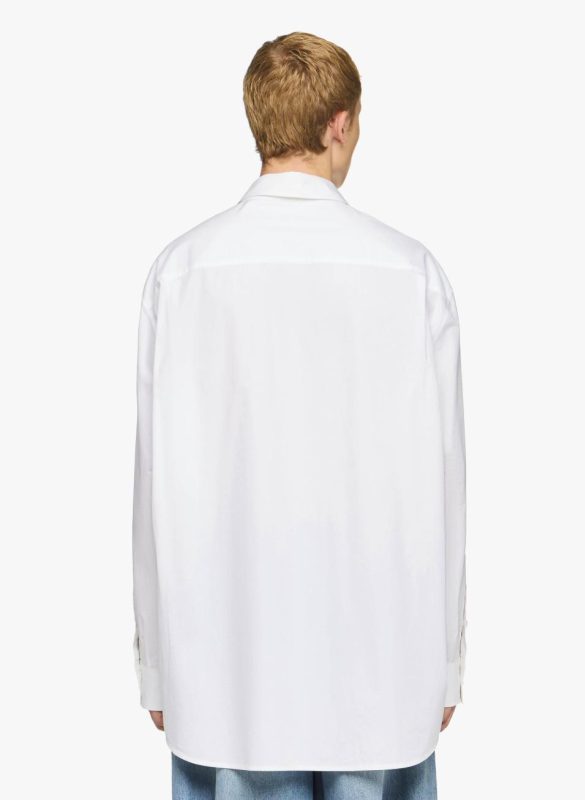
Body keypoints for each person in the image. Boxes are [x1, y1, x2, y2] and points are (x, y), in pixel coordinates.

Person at [132, 31, 467, 800]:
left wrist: (156, 665)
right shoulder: (410, 272)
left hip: (226, 662)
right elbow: (446, 480)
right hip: (382, 656)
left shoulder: (181, 273)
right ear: (339, 123)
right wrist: (446, 662)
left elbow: (153, 482)